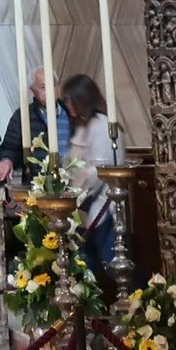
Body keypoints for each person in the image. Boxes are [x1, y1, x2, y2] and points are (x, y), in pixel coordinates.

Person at [61, 74, 120, 282]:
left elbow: (99, 170)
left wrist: (77, 192)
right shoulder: (82, 126)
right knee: (85, 265)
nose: (66, 105)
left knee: (111, 261)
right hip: (81, 207)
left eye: (68, 99)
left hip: (103, 205)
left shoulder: (102, 125)